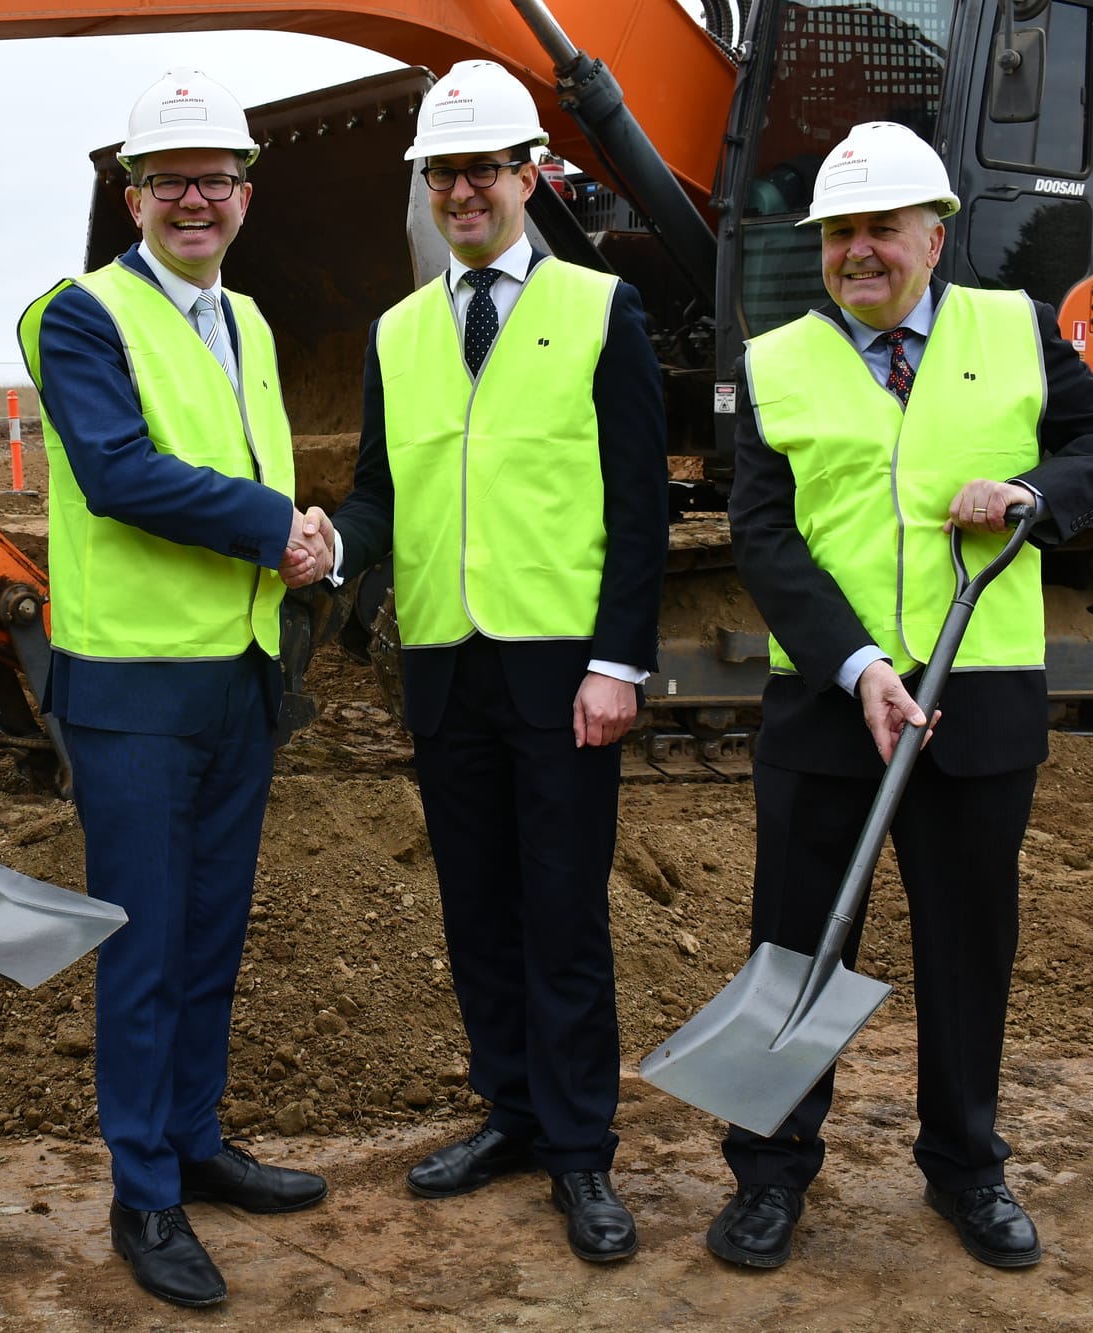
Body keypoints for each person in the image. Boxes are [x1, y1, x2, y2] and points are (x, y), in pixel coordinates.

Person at [708, 120, 1093, 1271]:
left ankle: (965, 1168)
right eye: (838, 233)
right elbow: (763, 539)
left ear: (933, 233)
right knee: (798, 944)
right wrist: (857, 664)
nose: (857, 251)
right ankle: (769, 1176)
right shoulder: (775, 361)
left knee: (968, 947)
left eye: (879, 229)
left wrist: (1027, 490)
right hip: (827, 707)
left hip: (976, 704)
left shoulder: (1009, 332)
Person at [325, 60, 669, 1264]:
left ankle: (580, 1152)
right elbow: (379, 495)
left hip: (562, 671)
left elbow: (639, 508)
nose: (463, 189)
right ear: (425, 188)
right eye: (443, 172)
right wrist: (327, 548)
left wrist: (618, 661)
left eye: (483, 167)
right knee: (475, 910)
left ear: (531, 176)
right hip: (444, 667)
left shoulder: (596, 309)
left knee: (562, 913)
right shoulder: (398, 330)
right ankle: (509, 1115)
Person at [16, 68, 332, 1309]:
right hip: (135, 691)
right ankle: (143, 1191)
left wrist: (290, 550)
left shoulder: (244, 321)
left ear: (245, 194)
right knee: (143, 947)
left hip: (236, 678)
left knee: (206, 936)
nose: (193, 200)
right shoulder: (78, 315)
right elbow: (118, 474)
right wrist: (279, 528)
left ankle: (193, 1142)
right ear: (130, 194)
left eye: (215, 178)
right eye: (169, 181)